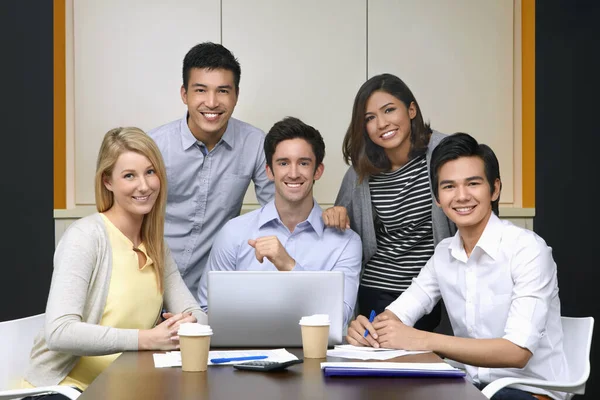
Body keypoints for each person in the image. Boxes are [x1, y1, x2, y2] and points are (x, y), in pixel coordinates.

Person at [347, 133, 567, 400]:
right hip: (471, 386)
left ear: (495, 189)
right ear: (437, 197)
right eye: (449, 186)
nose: (461, 196)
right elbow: (400, 313)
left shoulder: (528, 250)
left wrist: (424, 340)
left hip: (528, 390)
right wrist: (368, 330)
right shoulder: (444, 254)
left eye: (473, 183)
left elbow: (517, 352)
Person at [24, 127, 206, 396]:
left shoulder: (156, 245)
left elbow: (198, 314)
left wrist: (186, 324)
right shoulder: (85, 237)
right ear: (108, 181)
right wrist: (147, 339)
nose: (144, 186)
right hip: (68, 391)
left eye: (150, 172)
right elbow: (59, 332)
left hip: (131, 388)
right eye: (129, 175)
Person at [322, 73, 455, 331]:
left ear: (412, 110)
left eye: (389, 110)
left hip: (435, 292)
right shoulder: (360, 172)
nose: (381, 123)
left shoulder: (445, 153)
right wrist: (335, 214)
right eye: (370, 118)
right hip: (377, 290)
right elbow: (337, 228)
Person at [198, 117, 362, 325]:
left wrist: (288, 265)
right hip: (245, 355)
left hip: (318, 355)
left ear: (317, 171)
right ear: (269, 171)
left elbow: (339, 319)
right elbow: (206, 309)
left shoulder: (345, 242)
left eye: (303, 163)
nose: (293, 173)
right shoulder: (234, 233)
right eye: (283, 163)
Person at [148, 42, 274, 301]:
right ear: (184, 94)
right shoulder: (155, 146)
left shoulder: (255, 143)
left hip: (212, 292)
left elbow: (280, 209)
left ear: (236, 95)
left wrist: (325, 217)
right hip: (150, 282)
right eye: (201, 90)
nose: (212, 102)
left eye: (223, 91)